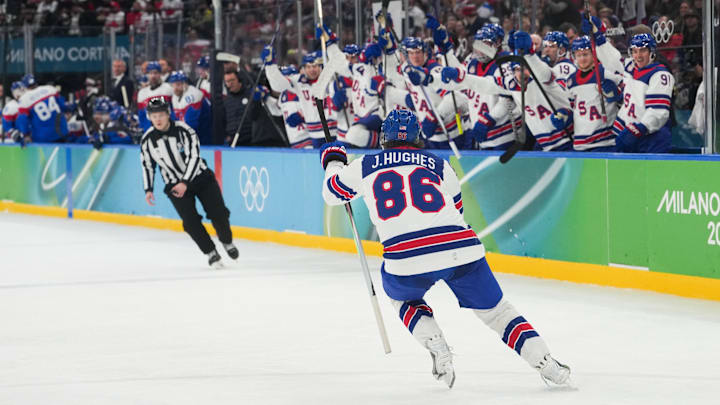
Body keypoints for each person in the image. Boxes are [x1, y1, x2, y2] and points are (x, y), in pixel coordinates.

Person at [319, 109, 571, 388]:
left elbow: (332, 193)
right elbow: (456, 209)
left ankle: (435, 342)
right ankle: (548, 364)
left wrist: (333, 161)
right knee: (498, 313)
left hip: (405, 257)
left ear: (383, 138)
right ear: (417, 138)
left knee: (403, 300)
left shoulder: (365, 165)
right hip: (460, 249)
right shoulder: (439, 164)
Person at [140, 97, 238, 268]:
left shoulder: (185, 131)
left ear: (168, 114)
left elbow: (194, 156)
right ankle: (211, 253)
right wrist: (148, 188)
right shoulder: (147, 140)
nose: (158, 119)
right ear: (149, 117)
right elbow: (147, 165)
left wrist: (185, 181)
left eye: (161, 114)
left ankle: (227, 241)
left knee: (219, 213)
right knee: (190, 222)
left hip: (201, 178)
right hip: (174, 184)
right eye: (154, 115)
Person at [613, 34, 674, 153]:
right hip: (633, 136)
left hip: (653, 138)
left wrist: (640, 128)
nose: (638, 56)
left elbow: (658, 111)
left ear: (651, 51)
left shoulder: (660, 74)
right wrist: (599, 38)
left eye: (643, 50)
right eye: (635, 51)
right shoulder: (631, 68)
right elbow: (612, 60)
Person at [16, 74, 70, 143]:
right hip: (61, 132)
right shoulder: (50, 88)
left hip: (42, 137)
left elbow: (22, 120)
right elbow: (63, 106)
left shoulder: (24, 99)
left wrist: (26, 134)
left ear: (24, 86)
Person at [167, 70, 212, 145]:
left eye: (178, 85)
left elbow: (191, 124)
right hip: (190, 137)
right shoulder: (176, 96)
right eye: (173, 85)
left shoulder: (193, 95)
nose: (175, 88)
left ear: (185, 84)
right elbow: (175, 119)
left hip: (203, 138)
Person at [137, 61, 174, 132]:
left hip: (168, 130)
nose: (153, 76)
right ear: (147, 75)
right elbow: (142, 116)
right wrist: (147, 130)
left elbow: (174, 111)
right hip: (150, 132)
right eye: (150, 73)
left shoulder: (168, 88)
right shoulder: (142, 93)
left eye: (155, 73)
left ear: (160, 74)